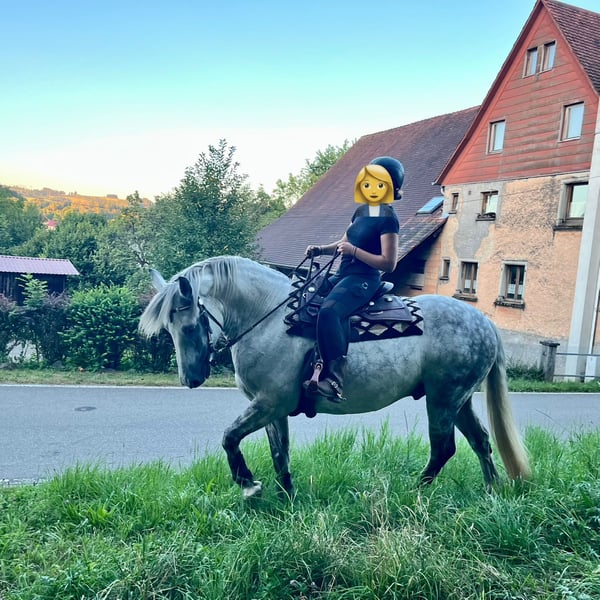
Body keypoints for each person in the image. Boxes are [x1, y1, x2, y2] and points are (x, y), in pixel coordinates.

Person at [303, 156, 403, 402]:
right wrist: (320, 249)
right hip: (343, 274)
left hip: (364, 280)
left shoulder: (388, 219)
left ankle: (334, 380)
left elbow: (389, 263)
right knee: (303, 295)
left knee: (329, 312)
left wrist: (354, 252)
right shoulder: (362, 211)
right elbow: (343, 243)